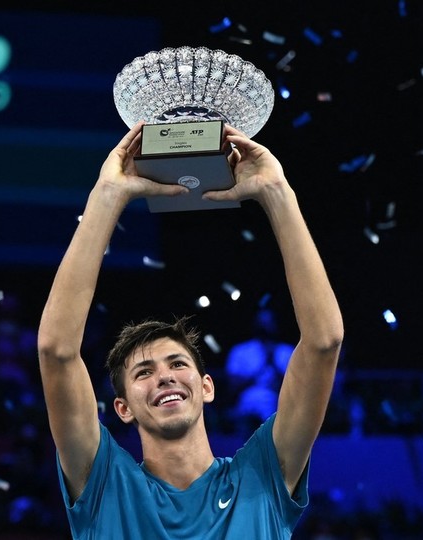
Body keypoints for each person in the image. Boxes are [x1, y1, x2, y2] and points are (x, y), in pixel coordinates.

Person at [37, 121, 344, 539]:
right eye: (143, 372)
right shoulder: (105, 485)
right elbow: (56, 351)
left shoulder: (262, 478)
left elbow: (324, 343)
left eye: (177, 364)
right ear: (123, 408)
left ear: (207, 386)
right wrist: (107, 194)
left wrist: (277, 192)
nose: (164, 376)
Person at [224, 306, 296, 432]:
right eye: (262, 322)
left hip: (277, 401)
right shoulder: (241, 350)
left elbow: (296, 388)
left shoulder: (287, 351)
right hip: (248, 399)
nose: (265, 327)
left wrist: (273, 364)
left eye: (268, 322)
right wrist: (259, 370)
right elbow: (232, 386)